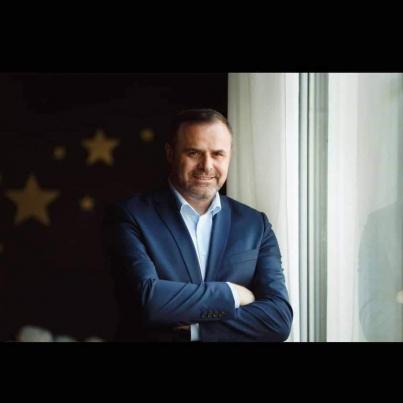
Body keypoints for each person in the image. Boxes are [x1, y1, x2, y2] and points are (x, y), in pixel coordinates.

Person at [103, 109, 293, 342]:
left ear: (230, 156)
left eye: (218, 154)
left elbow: (278, 319)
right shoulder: (130, 216)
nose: (206, 165)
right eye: (194, 153)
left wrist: (197, 331)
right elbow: (149, 302)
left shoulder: (255, 224)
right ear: (170, 154)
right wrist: (233, 293)